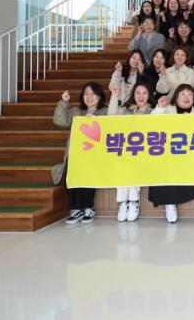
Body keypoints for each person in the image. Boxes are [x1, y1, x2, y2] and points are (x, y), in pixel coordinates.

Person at [150, 85, 194, 223]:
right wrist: (160, 107)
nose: (187, 97)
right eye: (183, 94)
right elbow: (151, 123)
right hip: (168, 153)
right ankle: (169, 203)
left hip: (190, 154)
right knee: (165, 166)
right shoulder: (167, 110)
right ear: (175, 97)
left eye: (190, 94)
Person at [54, 83, 108, 225]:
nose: (89, 97)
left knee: (87, 174)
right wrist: (64, 102)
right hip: (76, 153)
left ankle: (88, 208)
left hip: (95, 155)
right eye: (86, 94)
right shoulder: (76, 111)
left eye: (93, 94)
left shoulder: (105, 111)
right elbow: (59, 120)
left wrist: (96, 120)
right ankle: (76, 209)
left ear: (99, 96)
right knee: (72, 175)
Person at [108, 81, 154, 222]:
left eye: (144, 93)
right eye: (138, 93)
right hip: (125, 151)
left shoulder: (153, 111)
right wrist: (114, 97)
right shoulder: (125, 110)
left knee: (134, 164)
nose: (141, 96)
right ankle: (123, 202)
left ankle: (134, 201)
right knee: (121, 165)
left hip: (145, 152)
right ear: (133, 95)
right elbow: (111, 117)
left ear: (149, 95)